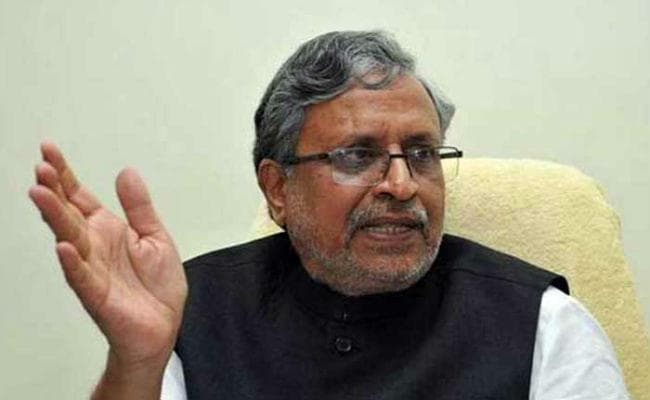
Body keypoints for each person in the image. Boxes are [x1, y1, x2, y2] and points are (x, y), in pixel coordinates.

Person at [30, 31, 629, 399]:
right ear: (278, 189)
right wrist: (136, 361)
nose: (401, 185)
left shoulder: (542, 324)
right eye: (357, 156)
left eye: (422, 153)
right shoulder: (195, 310)